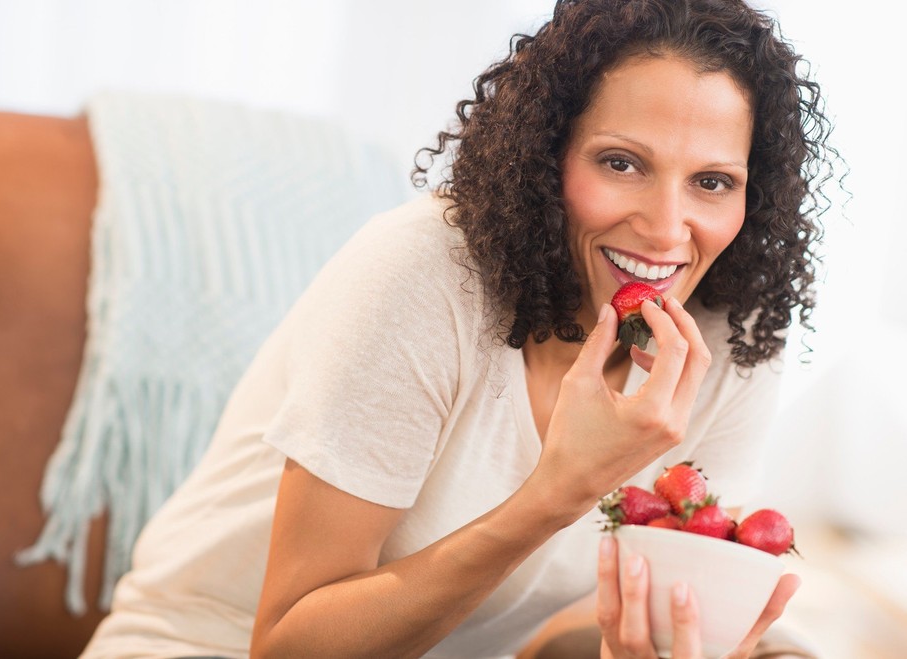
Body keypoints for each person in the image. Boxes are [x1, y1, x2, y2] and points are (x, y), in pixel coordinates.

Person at [81, 0, 835, 656]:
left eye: (713, 182)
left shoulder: (732, 340)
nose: (668, 230)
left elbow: (581, 623)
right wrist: (555, 492)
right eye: (621, 162)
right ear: (548, 159)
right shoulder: (426, 275)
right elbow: (287, 643)